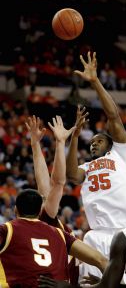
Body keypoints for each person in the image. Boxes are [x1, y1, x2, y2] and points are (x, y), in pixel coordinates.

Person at [66, 51, 126, 282]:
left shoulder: (120, 154)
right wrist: (75, 137)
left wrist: (95, 82)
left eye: (99, 140)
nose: (94, 143)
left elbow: (114, 116)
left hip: (124, 232)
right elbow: (71, 175)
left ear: (110, 143)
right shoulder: (87, 167)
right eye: (92, 142)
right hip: (95, 236)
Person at [25, 114, 87, 286]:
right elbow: (58, 183)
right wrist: (60, 143)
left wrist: (35, 145)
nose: (44, 195)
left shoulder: (43, 220)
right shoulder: (47, 220)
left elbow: (43, 183)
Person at [0, 189, 107, 287]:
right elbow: (102, 260)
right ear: (40, 211)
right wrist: (105, 283)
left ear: (15, 209)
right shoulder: (60, 233)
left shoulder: (6, 230)